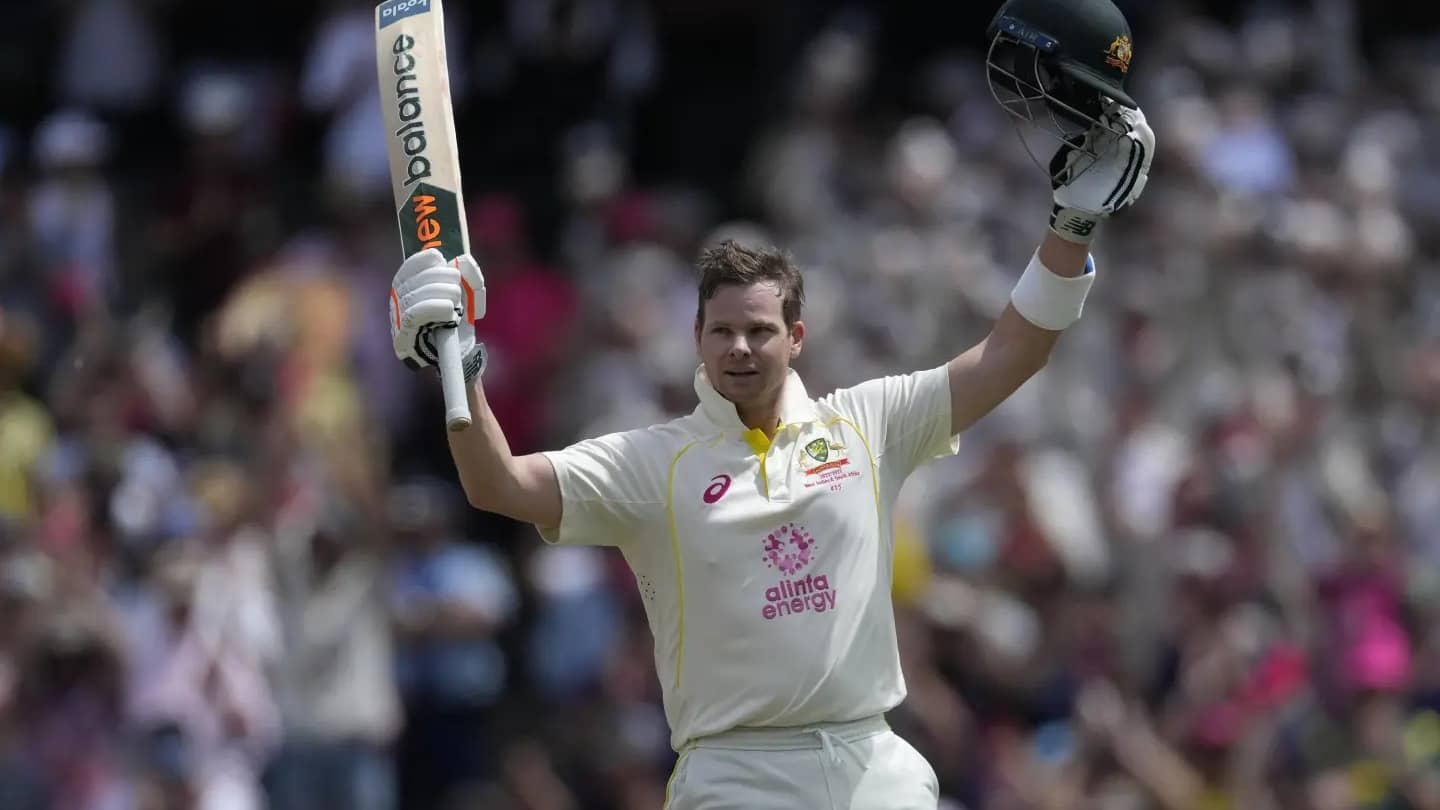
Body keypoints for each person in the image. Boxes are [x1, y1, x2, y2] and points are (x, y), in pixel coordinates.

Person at [384, 1, 1154, 806]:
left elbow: (1014, 351)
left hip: (870, 765)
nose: (740, 349)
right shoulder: (651, 462)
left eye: (759, 331)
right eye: (722, 332)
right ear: (696, 338)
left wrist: (1072, 225)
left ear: (797, 337)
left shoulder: (868, 423)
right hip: (735, 774)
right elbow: (497, 484)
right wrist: (456, 365)